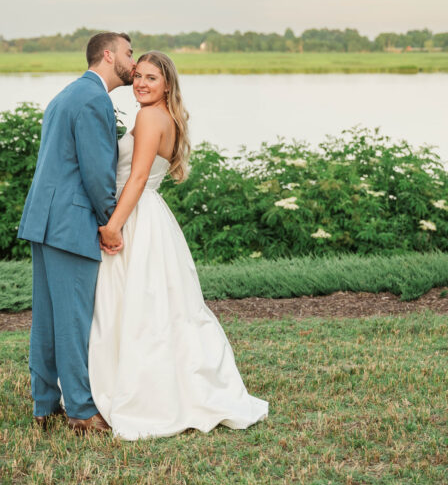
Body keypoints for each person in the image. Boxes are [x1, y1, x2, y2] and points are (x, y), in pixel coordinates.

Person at [89, 51, 268, 439]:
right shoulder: (165, 116)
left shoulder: (149, 116)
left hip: (134, 216)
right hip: (150, 216)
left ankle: (140, 395)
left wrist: (114, 227)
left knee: (131, 306)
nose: (141, 84)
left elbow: (136, 178)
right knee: (154, 306)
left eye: (151, 78)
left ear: (167, 84)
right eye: (137, 76)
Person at [17, 31, 134, 434]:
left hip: (44, 219)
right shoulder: (94, 99)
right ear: (107, 54)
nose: (133, 62)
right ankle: (82, 411)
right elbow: (97, 171)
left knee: (48, 317)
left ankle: (43, 402)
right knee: (73, 319)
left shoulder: (66, 94)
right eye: (128, 53)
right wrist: (109, 222)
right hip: (70, 222)